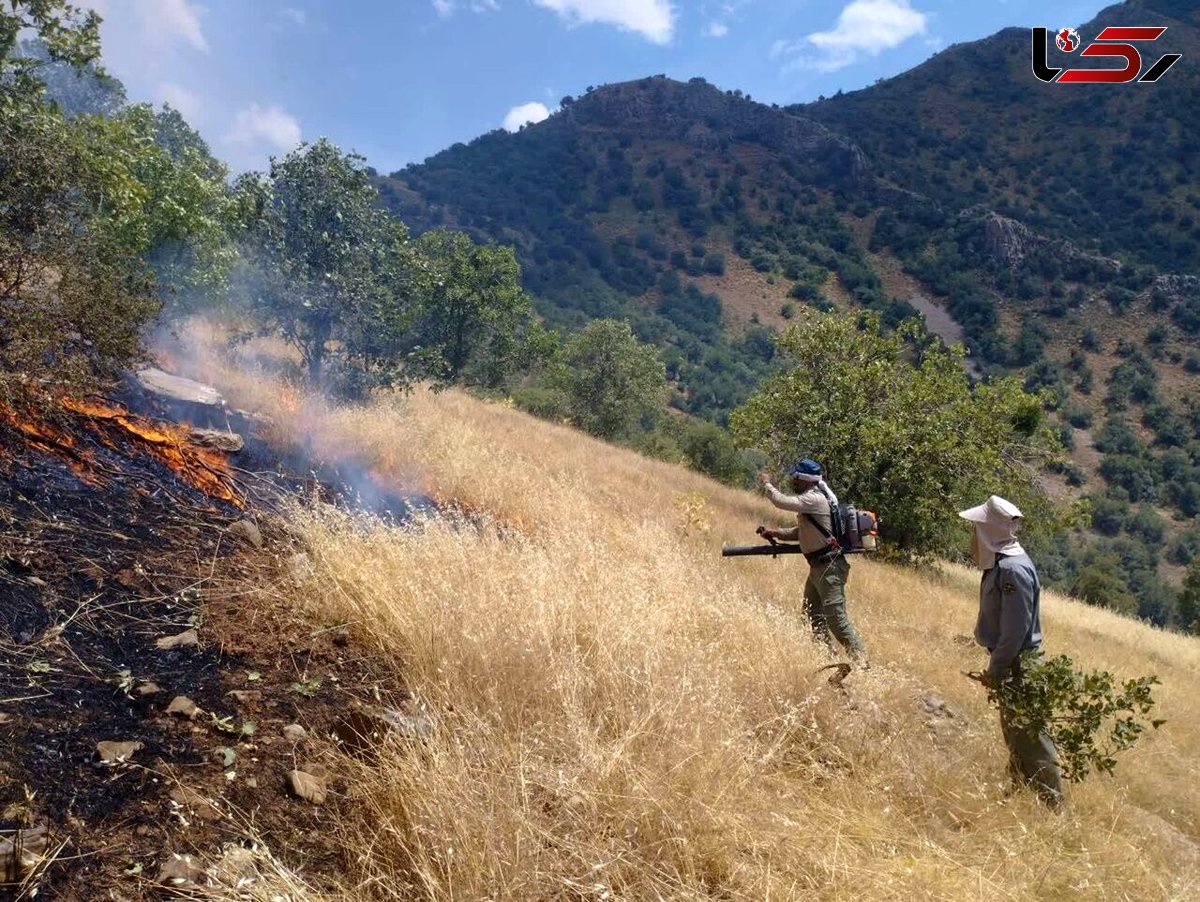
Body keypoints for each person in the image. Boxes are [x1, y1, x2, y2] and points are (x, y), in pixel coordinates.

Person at [959, 495, 1063, 807]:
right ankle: (1018, 796)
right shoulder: (1001, 564)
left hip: (1020, 666)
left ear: (988, 530)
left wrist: (997, 668)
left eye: (976, 527)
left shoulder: (1013, 570)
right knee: (1016, 736)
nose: (972, 533)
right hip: (1013, 664)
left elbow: (1015, 630)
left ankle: (1054, 808)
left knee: (1033, 741)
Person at [757, 458, 867, 661]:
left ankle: (863, 665)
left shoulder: (814, 499)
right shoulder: (814, 499)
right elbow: (803, 531)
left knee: (836, 619)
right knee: (812, 615)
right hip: (819, 568)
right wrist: (777, 533)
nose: (794, 481)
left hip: (829, 568)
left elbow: (781, 501)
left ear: (804, 479)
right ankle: (829, 660)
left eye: (796, 478)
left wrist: (767, 483)